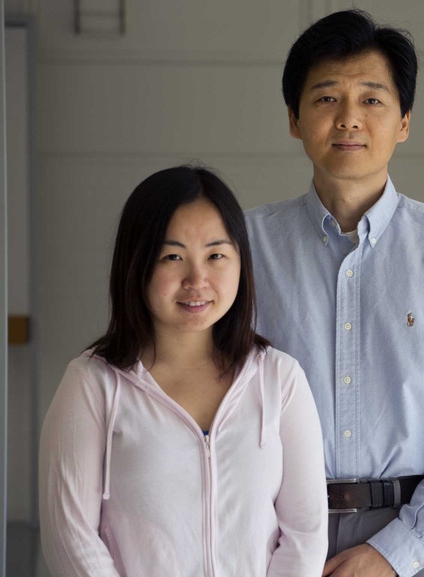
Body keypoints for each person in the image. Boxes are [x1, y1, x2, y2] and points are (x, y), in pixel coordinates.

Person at [245, 9, 424, 577]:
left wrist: (398, 551)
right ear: (294, 119)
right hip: (272, 539)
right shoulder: (243, 249)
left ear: (404, 121)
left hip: (418, 540)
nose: (349, 119)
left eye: (372, 99)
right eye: (325, 99)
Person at [39, 166, 329, 576]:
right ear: (137, 263)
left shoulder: (279, 379)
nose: (197, 279)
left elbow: (306, 534)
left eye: (216, 255)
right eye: (173, 256)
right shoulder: (92, 384)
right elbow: (71, 540)